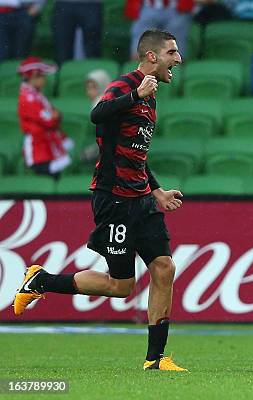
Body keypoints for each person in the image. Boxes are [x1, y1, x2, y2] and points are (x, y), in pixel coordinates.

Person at [13, 29, 187, 372]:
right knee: (121, 286)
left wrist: (157, 191)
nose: (177, 59)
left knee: (164, 268)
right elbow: (98, 114)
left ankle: (155, 359)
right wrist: (135, 95)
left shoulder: (150, 95)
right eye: (171, 52)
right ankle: (42, 281)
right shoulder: (127, 86)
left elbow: (135, 153)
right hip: (114, 200)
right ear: (152, 56)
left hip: (141, 199)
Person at [17, 56, 73, 179]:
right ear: (33, 77)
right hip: (38, 145)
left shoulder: (36, 94)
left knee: (58, 172)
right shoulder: (28, 97)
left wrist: (55, 116)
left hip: (47, 141)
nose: (44, 79)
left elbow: (54, 115)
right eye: (41, 76)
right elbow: (48, 120)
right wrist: (55, 116)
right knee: (45, 174)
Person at [127, 0, 195, 59]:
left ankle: (176, 69)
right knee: (140, 50)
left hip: (176, 8)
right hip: (148, 6)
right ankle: (140, 68)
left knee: (176, 49)